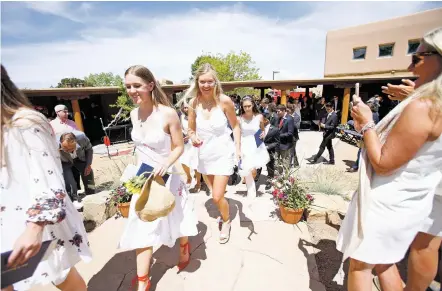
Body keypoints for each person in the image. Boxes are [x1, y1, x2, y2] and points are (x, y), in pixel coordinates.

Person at [336, 27, 442, 291]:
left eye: (417, 58)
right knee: (385, 263)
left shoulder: (424, 108)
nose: (410, 65)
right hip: (415, 198)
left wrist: (366, 124)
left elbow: (383, 164)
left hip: (389, 200)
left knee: (361, 267)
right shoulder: (431, 104)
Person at [1, 65, 91, 291]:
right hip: (6, 216)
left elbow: (51, 178)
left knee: (61, 276)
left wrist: (33, 228)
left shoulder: (27, 122)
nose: (63, 113)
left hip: (33, 217)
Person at [118, 65, 198, 291]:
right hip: (143, 178)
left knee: (177, 219)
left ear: (150, 85)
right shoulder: (134, 113)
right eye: (128, 86)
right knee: (141, 223)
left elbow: (179, 147)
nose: (132, 90)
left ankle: (184, 248)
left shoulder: (167, 113)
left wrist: (165, 163)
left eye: (136, 85)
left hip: (168, 175)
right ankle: (144, 280)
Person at [184, 63, 241, 244]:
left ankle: (226, 220)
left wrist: (238, 148)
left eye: (210, 81)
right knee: (214, 195)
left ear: (215, 82)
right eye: (203, 82)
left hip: (223, 152)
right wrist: (192, 137)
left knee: (216, 196)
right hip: (204, 154)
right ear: (197, 82)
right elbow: (191, 129)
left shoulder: (224, 101)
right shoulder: (194, 103)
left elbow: (236, 125)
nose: (206, 85)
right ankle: (223, 209)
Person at [238, 96, 270, 197]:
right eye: (245, 106)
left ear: (253, 105)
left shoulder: (259, 116)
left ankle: (250, 187)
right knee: (247, 169)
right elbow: (237, 133)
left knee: (254, 170)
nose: (247, 108)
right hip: (244, 144)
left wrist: (264, 133)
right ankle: (251, 191)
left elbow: (266, 125)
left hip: (256, 145)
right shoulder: (240, 118)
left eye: (249, 106)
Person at [59, 131, 95, 209]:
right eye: (65, 149)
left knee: (88, 173)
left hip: (79, 158)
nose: (68, 151)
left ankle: (91, 193)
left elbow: (89, 149)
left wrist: (88, 164)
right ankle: (74, 200)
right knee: (69, 180)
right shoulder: (54, 144)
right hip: (65, 162)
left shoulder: (82, 138)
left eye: (70, 149)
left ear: (75, 142)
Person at [178, 101, 202, 192]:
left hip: (196, 141)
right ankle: (189, 177)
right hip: (186, 142)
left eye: (187, 107)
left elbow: (199, 128)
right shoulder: (181, 117)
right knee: (183, 161)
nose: (186, 109)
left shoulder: (197, 116)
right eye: (184, 108)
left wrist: (192, 135)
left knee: (196, 163)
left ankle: (198, 182)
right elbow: (181, 128)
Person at [262, 112, 280, 190]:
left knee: (270, 166)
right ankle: (255, 179)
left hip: (269, 151)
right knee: (258, 166)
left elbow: (277, 142)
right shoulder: (258, 128)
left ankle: (269, 181)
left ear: (266, 120)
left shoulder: (275, 130)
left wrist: (268, 146)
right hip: (259, 151)